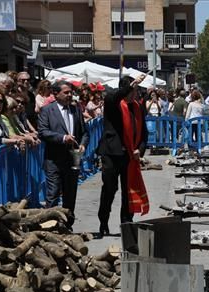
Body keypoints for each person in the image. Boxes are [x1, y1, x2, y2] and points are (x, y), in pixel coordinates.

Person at [96, 74, 148, 248]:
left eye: (136, 92)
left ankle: (126, 223)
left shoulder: (138, 107)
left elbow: (144, 135)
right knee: (110, 188)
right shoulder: (113, 103)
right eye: (132, 92)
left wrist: (139, 150)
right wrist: (130, 86)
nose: (134, 95)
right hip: (111, 153)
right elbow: (114, 96)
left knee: (129, 190)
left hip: (129, 155)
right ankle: (103, 221)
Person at [38, 81, 89, 227]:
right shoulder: (47, 110)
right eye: (66, 92)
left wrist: (83, 144)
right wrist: (62, 138)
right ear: (55, 94)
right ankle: (50, 227)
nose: (69, 95)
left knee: (70, 194)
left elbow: (84, 132)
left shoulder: (76, 110)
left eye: (70, 92)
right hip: (54, 159)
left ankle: (67, 225)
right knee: (53, 194)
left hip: (72, 160)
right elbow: (43, 132)